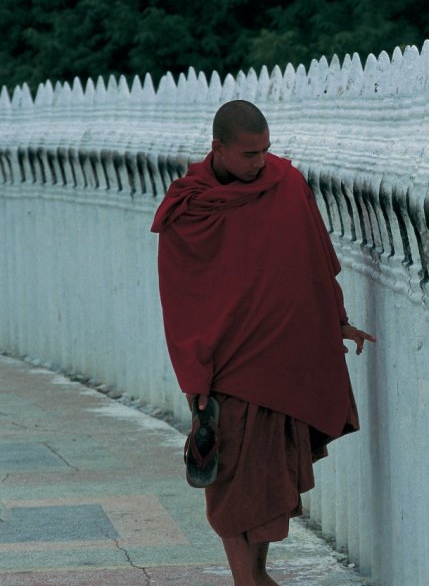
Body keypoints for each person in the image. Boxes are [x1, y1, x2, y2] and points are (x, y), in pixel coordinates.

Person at [150, 99, 375, 586]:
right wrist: (194, 376)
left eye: (265, 152)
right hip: (225, 368)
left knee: (270, 478)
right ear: (219, 148)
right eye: (250, 155)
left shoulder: (286, 184)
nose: (260, 163)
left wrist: (337, 319)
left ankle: (256, 574)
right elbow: (181, 295)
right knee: (229, 483)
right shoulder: (191, 206)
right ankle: (245, 581)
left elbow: (314, 258)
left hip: (281, 359)